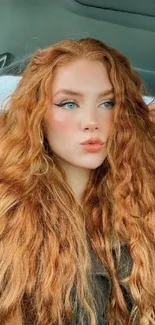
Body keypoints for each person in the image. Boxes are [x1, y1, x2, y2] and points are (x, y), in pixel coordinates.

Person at [0, 38, 155, 325]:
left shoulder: (144, 206)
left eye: (107, 103)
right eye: (69, 103)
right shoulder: (7, 214)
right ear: (37, 114)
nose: (91, 121)